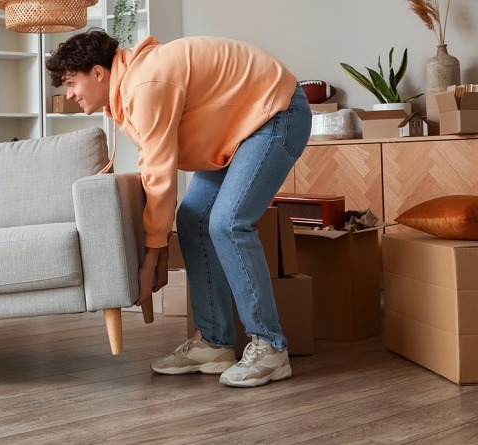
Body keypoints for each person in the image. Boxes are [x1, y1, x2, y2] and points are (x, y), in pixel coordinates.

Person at [46, 30, 311, 388]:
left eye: (71, 83)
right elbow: (151, 164)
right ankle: (214, 342)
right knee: (193, 220)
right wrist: (152, 251)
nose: (70, 95)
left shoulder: (144, 84)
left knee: (227, 223)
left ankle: (270, 347)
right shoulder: (126, 95)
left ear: (98, 73)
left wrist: (152, 258)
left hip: (276, 113)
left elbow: (160, 174)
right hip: (237, 131)